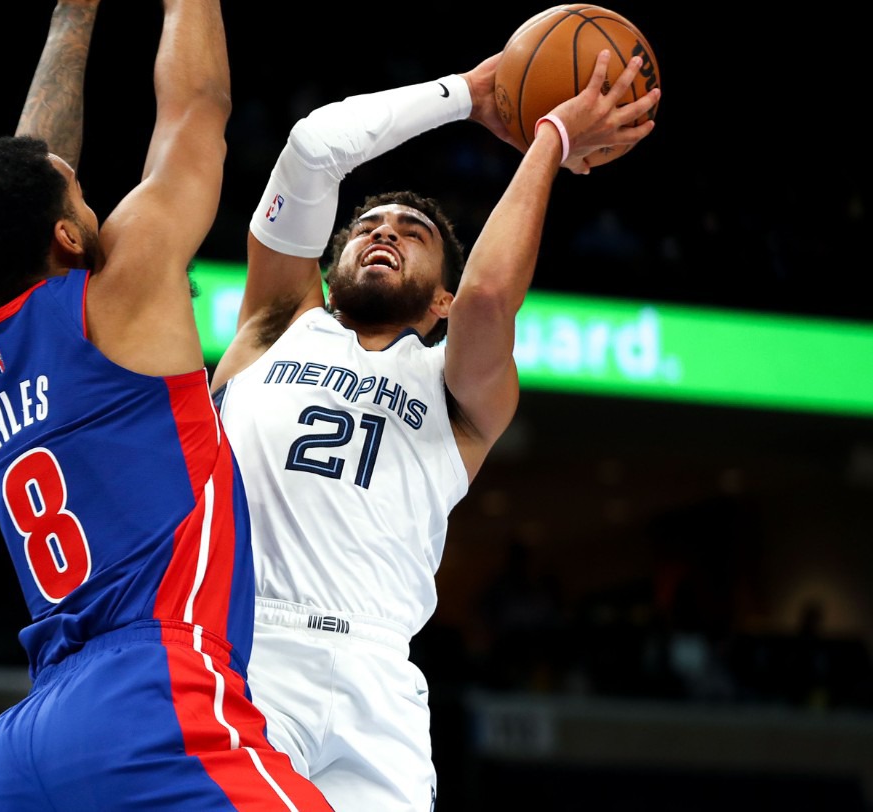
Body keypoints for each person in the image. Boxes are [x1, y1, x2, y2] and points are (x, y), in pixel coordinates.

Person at [210, 49, 660, 810]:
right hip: (248, 649)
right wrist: (469, 94)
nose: (382, 233)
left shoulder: (459, 390)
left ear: (438, 303)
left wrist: (550, 136)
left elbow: (490, 298)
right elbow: (314, 150)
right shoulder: (277, 324)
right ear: (331, 264)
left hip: (379, 678)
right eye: (367, 227)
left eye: (410, 232)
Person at [0, 1, 334, 809]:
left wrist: (72, 15)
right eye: (77, 192)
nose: (86, 188)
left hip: (28, 744)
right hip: (156, 685)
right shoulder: (122, 294)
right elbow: (198, 110)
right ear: (70, 239)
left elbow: (30, 167)